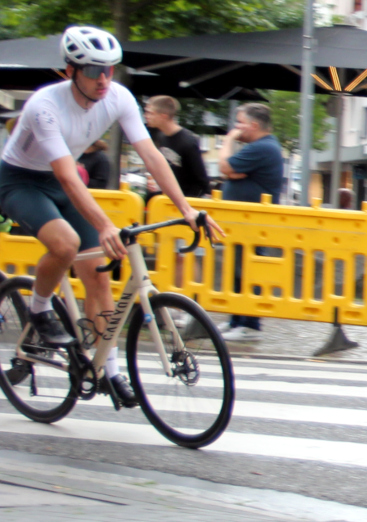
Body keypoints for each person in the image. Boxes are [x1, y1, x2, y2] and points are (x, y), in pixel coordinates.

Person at [0, 26, 223, 407]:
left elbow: (152, 155)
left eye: (110, 70)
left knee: (99, 275)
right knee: (67, 244)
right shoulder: (44, 105)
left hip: (59, 180)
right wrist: (104, 224)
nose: (104, 79)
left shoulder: (118, 96)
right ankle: (38, 311)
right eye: (93, 71)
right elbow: (69, 177)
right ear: (70, 70)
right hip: (21, 181)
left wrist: (186, 209)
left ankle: (110, 370)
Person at [217, 103, 283, 342]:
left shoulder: (263, 148)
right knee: (239, 269)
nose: (236, 128)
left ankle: (250, 324)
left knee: (248, 269)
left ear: (254, 125)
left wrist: (227, 141)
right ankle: (238, 319)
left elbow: (225, 166)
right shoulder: (261, 147)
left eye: (240, 123)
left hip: (251, 222)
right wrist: (232, 172)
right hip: (243, 222)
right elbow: (231, 171)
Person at [143, 95, 210, 199]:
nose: (146, 116)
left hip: (185, 202)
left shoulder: (188, 142)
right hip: (167, 201)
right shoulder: (161, 136)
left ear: (163, 116)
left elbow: (202, 181)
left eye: (150, 113)